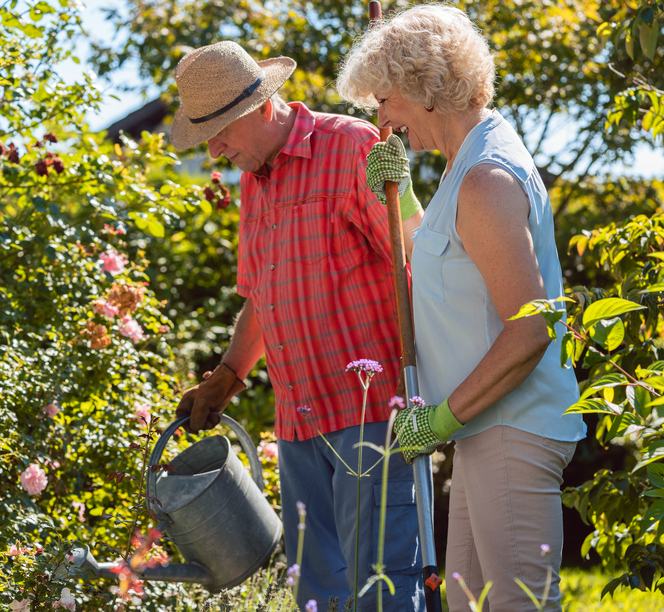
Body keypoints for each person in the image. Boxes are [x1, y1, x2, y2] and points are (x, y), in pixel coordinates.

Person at [337, 6, 587, 612]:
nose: (385, 120)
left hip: (511, 426)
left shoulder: (485, 177)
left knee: (518, 603)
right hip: (487, 429)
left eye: (386, 100)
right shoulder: (465, 166)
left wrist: (441, 419)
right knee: (472, 601)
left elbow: (529, 329)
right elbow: (447, 266)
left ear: (424, 87)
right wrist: (403, 200)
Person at [169, 41, 425, 612]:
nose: (214, 149)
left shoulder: (353, 146)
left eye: (220, 131)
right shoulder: (254, 181)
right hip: (298, 422)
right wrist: (228, 375)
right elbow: (263, 295)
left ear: (262, 107)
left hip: (370, 417)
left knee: (380, 591)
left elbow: (415, 263)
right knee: (319, 597)